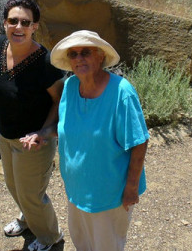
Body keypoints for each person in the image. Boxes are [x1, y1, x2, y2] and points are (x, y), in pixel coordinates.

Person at [50, 30, 150, 251]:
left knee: (107, 245)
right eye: (73, 54)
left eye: (86, 52)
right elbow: (69, 127)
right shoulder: (70, 87)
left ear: (100, 56)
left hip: (109, 192)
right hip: (77, 189)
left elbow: (139, 142)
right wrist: (41, 135)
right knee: (82, 241)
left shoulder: (121, 93)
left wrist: (131, 188)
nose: (79, 59)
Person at [0, 0, 65, 251]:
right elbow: (1, 90)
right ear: (5, 23)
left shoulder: (45, 62)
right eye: (13, 21)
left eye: (25, 22)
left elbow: (58, 102)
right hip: (6, 135)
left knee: (31, 194)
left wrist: (43, 132)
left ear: (34, 27)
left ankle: (51, 236)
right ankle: (28, 220)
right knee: (14, 186)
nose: (18, 27)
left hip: (34, 142)